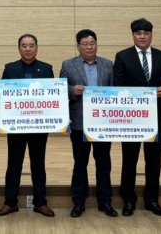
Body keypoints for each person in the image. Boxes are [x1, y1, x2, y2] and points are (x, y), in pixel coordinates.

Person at [113, 18, 161, 217]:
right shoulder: (122, 56)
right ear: (133, 35)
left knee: (154, 161)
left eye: (146, 33)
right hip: (131, 117)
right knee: (129, 160)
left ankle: (152, 200)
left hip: (155, 117)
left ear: (151, 35)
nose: (142, 36)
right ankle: (128, 200)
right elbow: (118, 86)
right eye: (138, 33)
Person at [0, 34, 56, 218]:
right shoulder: (10, 68)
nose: (28, 49)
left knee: (38, 164)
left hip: (38, 126)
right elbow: (2, 96)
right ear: (19, 48)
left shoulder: (46, 69)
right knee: (14, 164)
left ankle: (40, 203)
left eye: (31, 45)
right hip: (16, 126)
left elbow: (54, 96)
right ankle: (10, 202)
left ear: (36, 47)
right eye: (24, 45)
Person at [60, 29, 116, 218]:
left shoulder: (108, 64)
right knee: (80, 163)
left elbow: (115, 90)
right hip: (79, 122)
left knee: (104, 163)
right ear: (78, 46)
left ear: (96, 45)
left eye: (92, 43)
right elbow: (60, 89)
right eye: (85, 44)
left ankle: (105, 201)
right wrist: (71, 90)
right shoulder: (68, 65)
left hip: (103, 122)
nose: (89, 47)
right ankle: (78, 202)